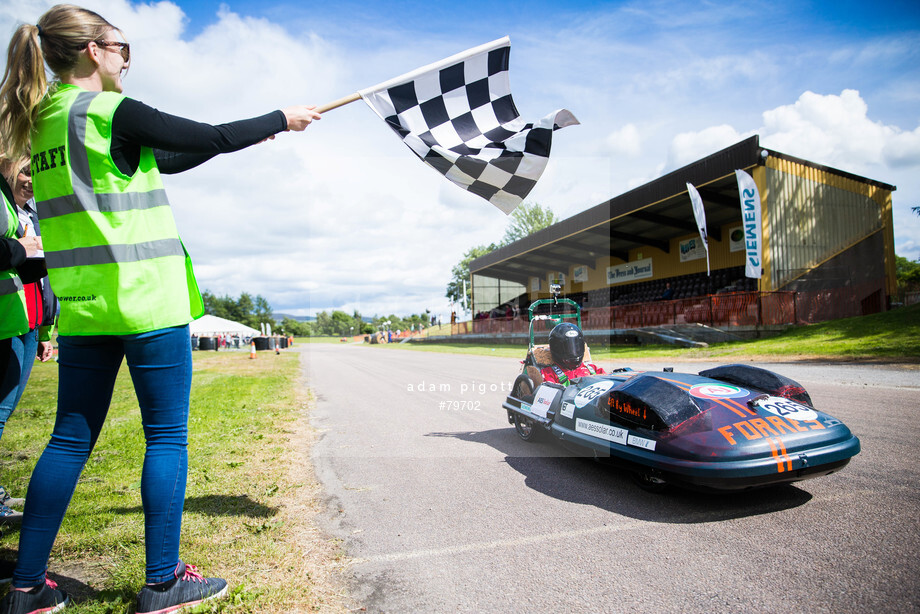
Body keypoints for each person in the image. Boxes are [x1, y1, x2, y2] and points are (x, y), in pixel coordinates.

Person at [0, 5, 321, 613]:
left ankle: (26, 590)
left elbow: (168, 156)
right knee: (166, 437)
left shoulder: (41, 122)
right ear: (95, 49)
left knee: (67, 440)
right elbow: (207, 135)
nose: (127, 59)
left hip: (87, 310)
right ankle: (162, 582)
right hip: (148, 302)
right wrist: (282, 116)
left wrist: (254, 133)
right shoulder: (109, 110)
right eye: (123, 48)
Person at [0, 156, 57, 522]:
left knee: (5, 411)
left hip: (28, 321)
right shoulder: (6, 209)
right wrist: (24, 248)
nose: (31, 180)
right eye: (24, 171)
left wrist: (47, 330)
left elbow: (40, 279)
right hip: (8, 320)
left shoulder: (32, 215)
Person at [539, 322, 605, 386]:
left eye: (575, 346)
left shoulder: (592, 369)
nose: (572, 352)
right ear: (556, 348)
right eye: (568, 348)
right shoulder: (548, 373)